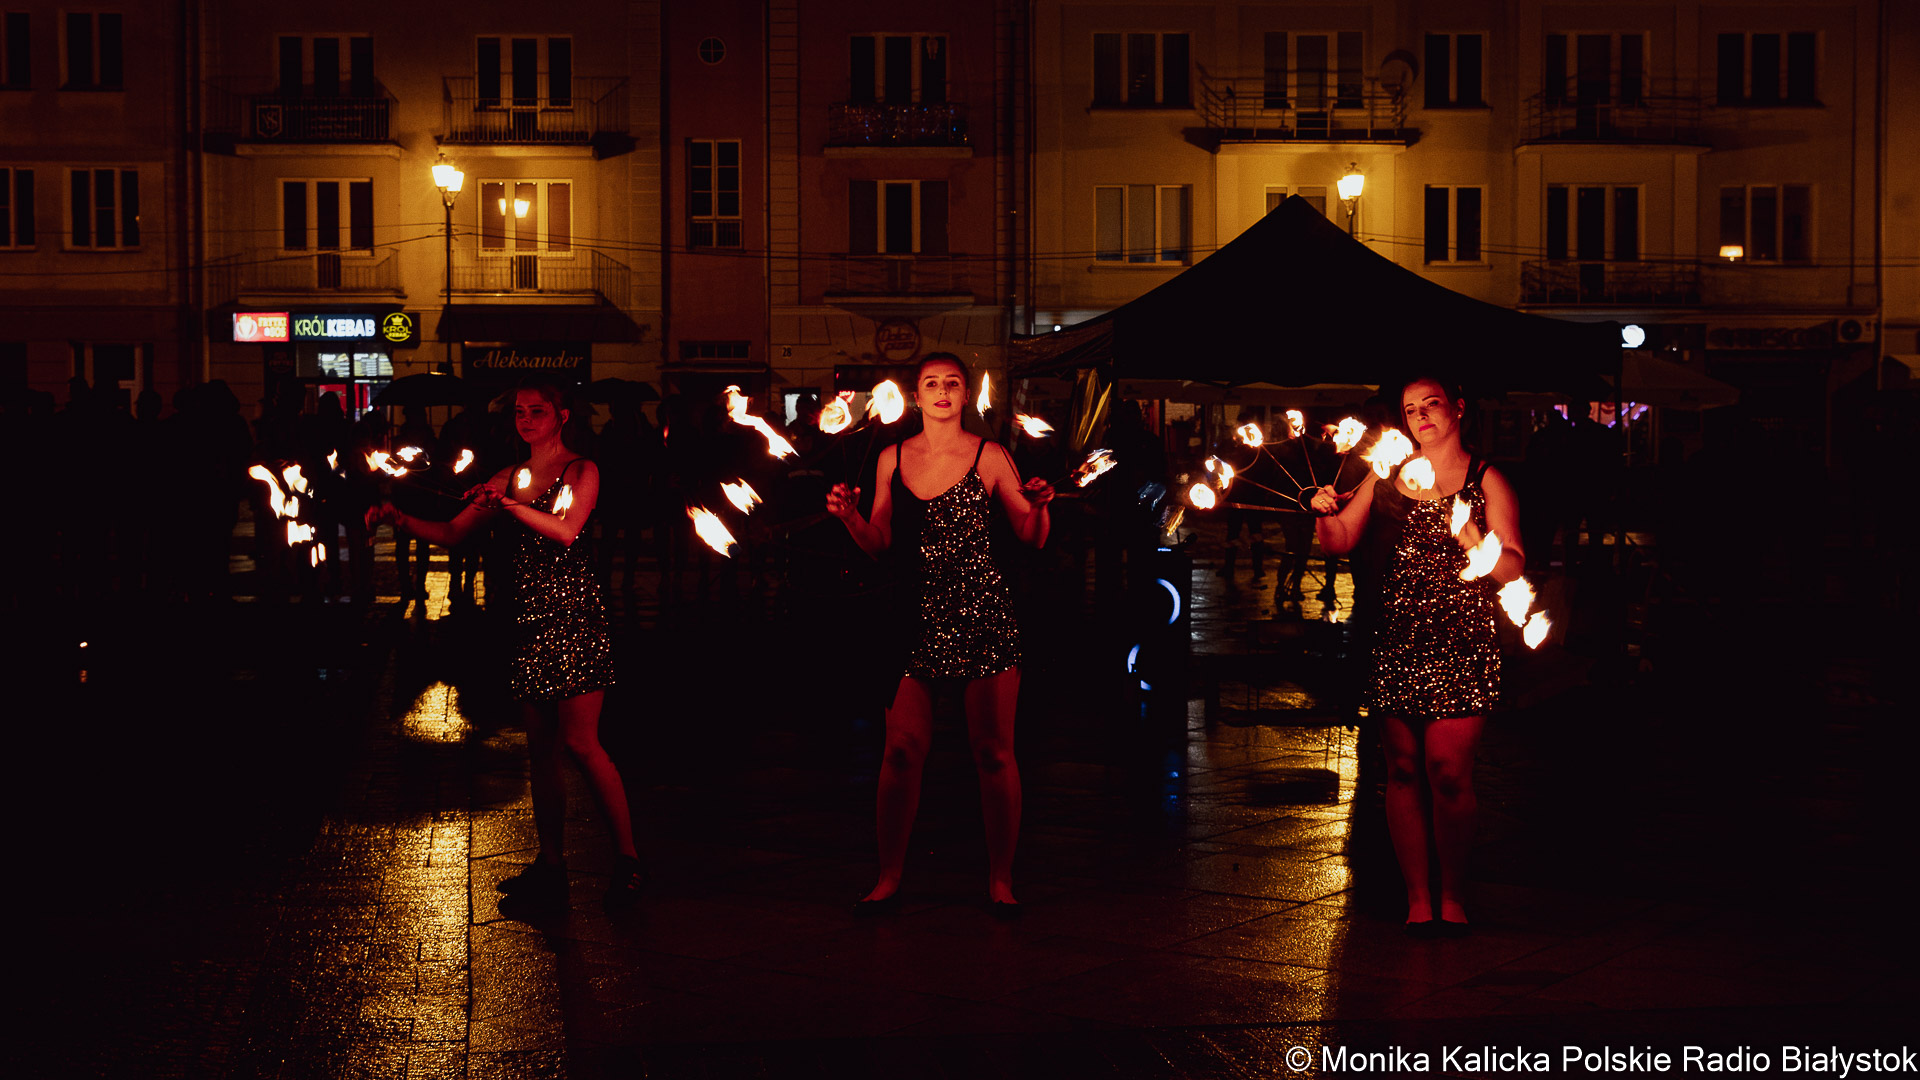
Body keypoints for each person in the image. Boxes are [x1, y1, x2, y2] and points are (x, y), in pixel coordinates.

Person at [367, 378, 643, 910]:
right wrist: (398, 518)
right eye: (519, 411)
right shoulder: (507, 477)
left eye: (538, 410)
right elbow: (452, 533)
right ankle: (552, 866)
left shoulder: (580, 471)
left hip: (574, 618)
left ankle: (629, 860)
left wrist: (509, 506)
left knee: (581, 744)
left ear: (562, 415)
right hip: (527, 621)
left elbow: (565, 530)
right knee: (540, 750)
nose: (527, 419)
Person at [825, 354, 1054, 917]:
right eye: (932, 383)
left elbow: (1031, 535)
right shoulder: (891, 458)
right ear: (917, 396)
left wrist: (1041, 507)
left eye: (953, 382)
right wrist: (851, 518)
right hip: (912, 617)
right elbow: (879, 542)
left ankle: (1001, 880)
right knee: (901, 752)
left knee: (993, 753)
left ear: (966, 393)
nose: (943, 390)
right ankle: (888, 877)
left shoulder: (989, 455)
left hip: (982, 615)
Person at [1308, 375, 1525, 938]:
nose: (1421, 415)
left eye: (1432, 404)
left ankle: (1453, 894)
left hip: (1462, 642)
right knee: (1402, 770)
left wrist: (1470, 532)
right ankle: (1418, 898)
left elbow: (1512, 566)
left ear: (1458, 409)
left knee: (1448, 773)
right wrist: (1323, 508)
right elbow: (1338, 540)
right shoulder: (1386, 473)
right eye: (1410, 409)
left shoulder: (1485, 478)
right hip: (1397, 639)